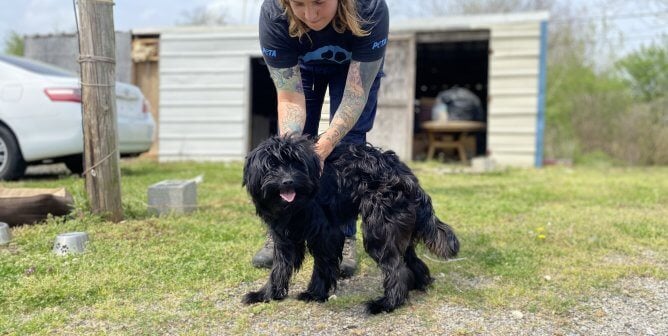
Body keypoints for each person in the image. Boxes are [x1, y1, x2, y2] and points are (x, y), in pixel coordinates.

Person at [252, 0, 389, 278]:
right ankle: (284, 231)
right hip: (303, 68)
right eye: (299, 4)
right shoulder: (274, 13)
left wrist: (324, 147)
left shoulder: (369, 8)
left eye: (319, 2)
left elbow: (355, 95)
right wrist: (293, 152)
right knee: (295, 146)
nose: (311, 14)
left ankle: (343, 235)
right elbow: (289, 96)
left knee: (348, 145)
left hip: (353, 69)